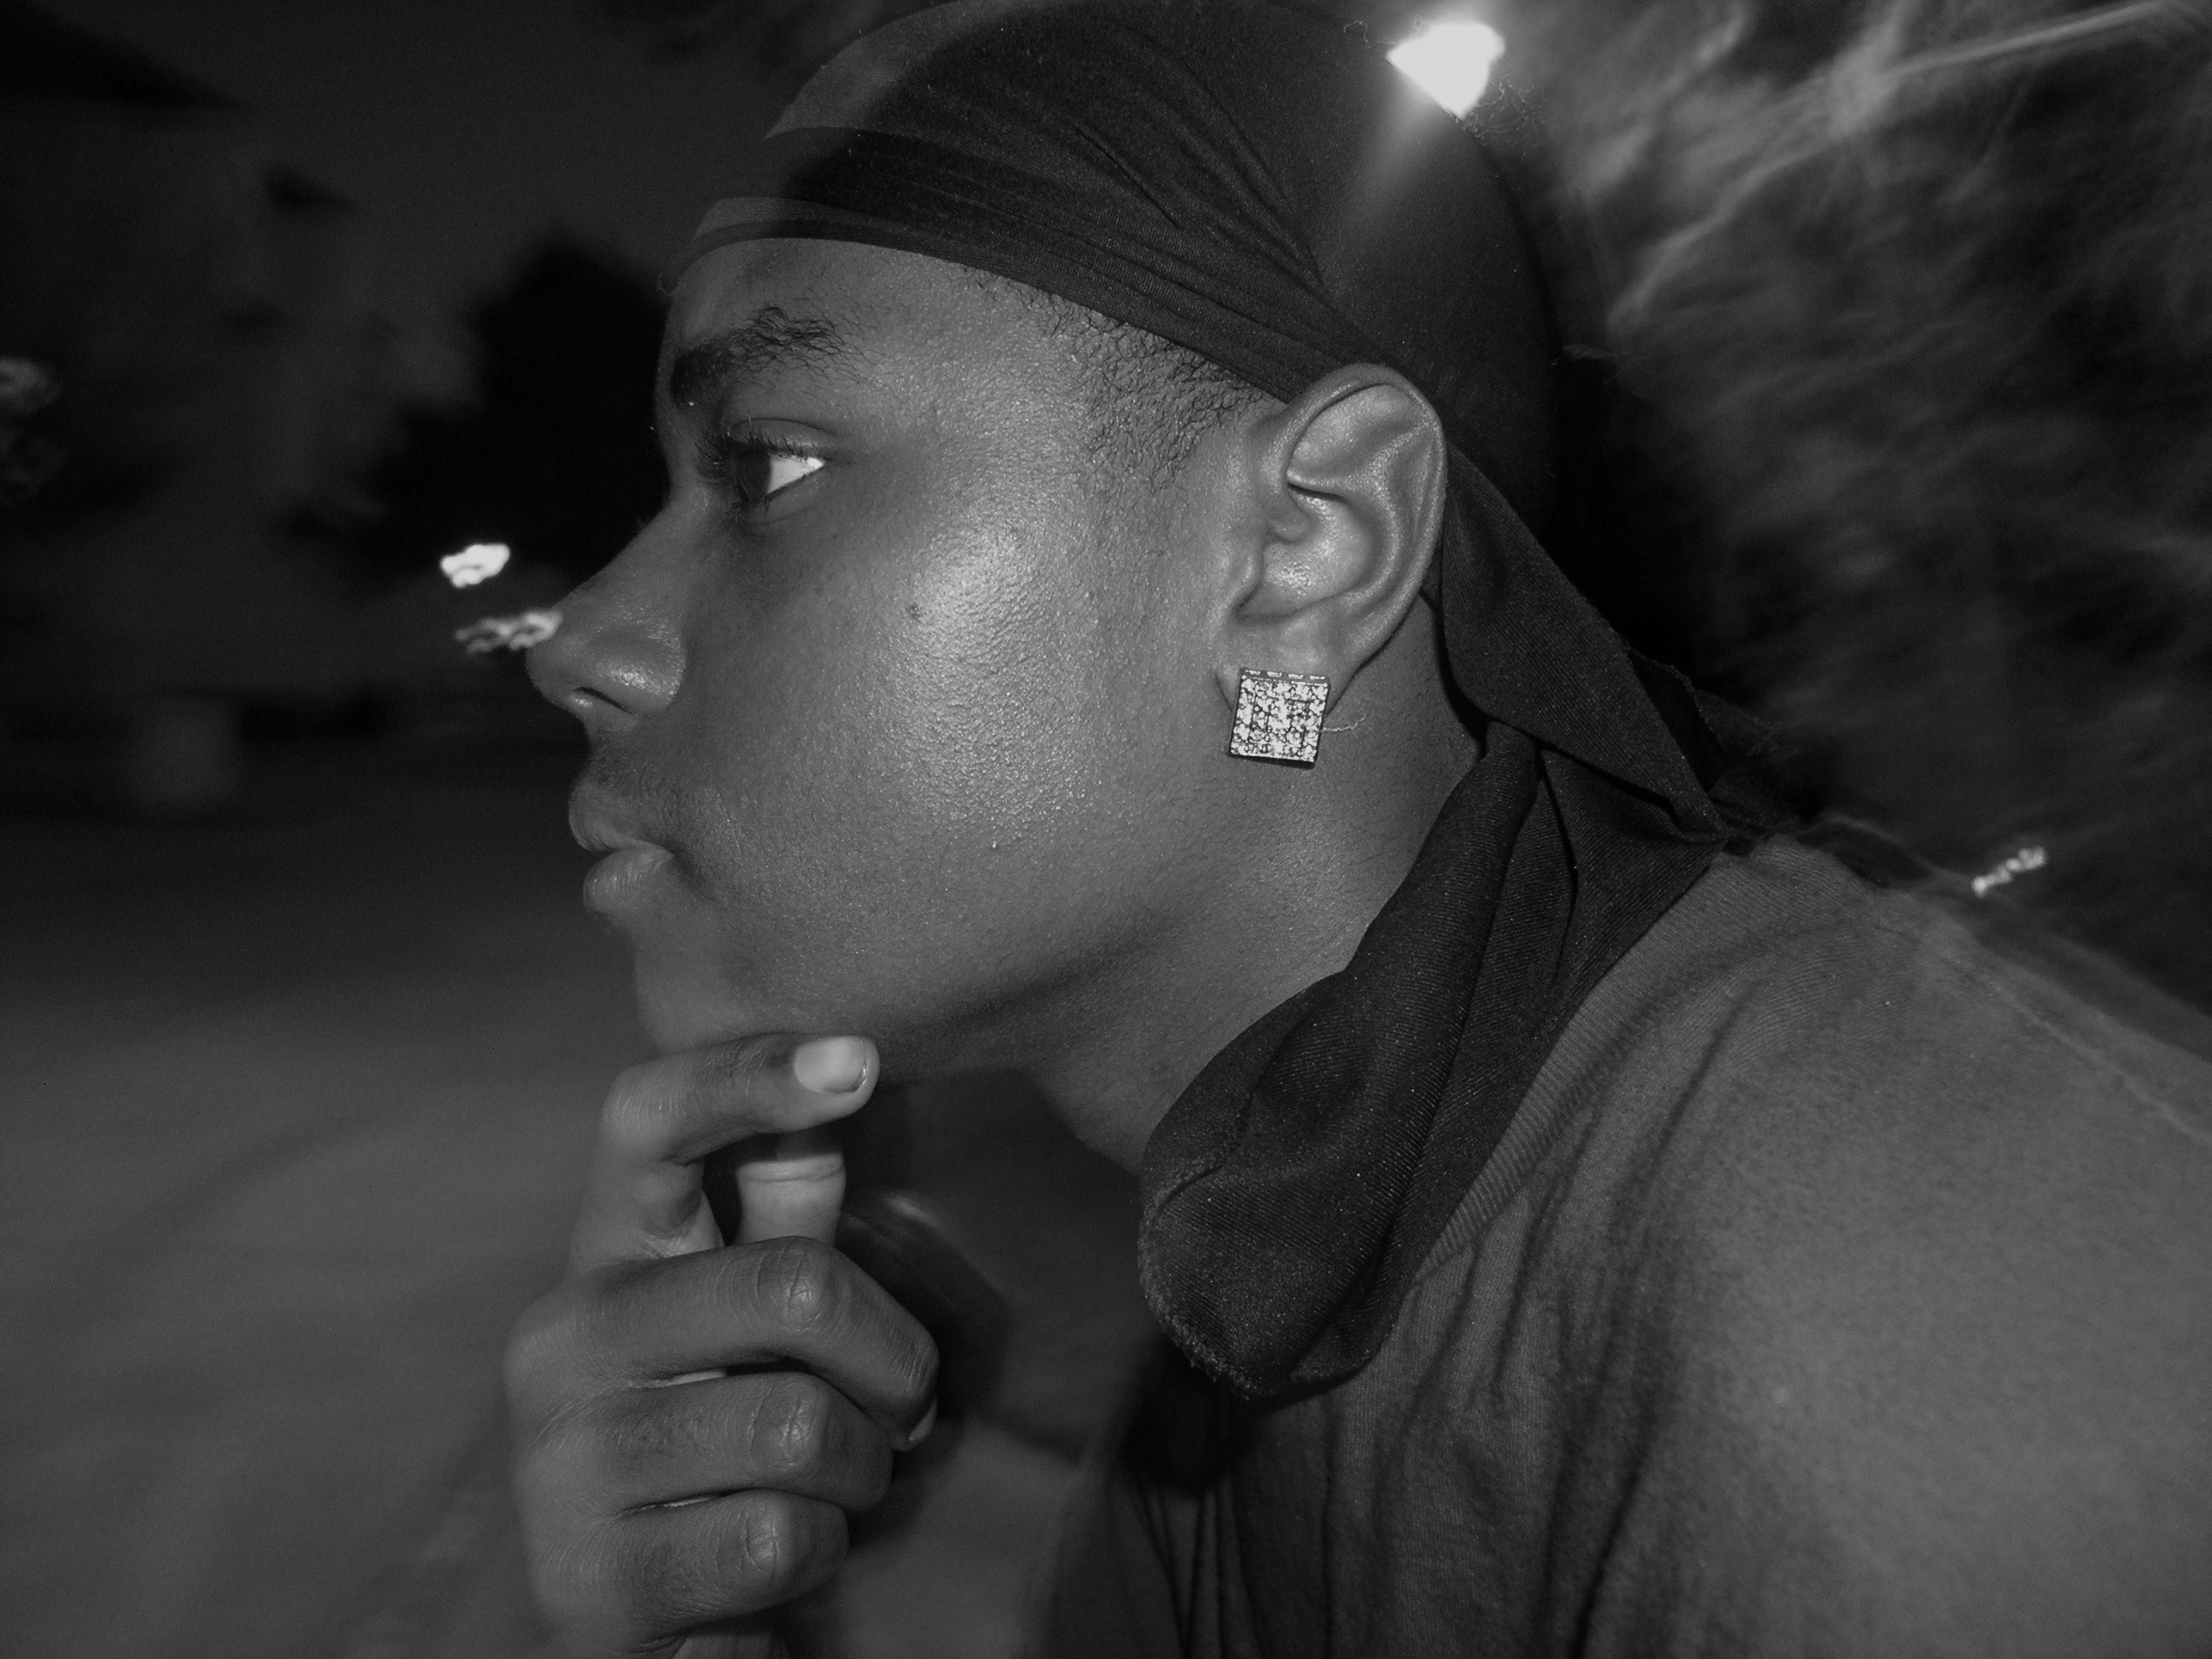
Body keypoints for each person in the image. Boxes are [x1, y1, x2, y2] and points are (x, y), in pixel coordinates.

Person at [505, 3, 2212, 1655]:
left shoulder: (1955, 1338)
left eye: (767, 469)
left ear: (1306, 545)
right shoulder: (1249, 1301)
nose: (584, 640)